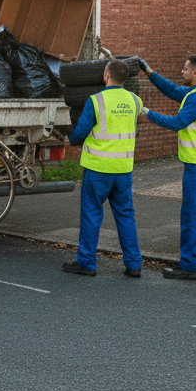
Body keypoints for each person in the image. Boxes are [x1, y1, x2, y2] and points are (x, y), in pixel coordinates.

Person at [137, 55, 196, 280]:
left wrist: (147, 114)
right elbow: (172, 90)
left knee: (192, 214)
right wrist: (148, 71)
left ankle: (189, 265)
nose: (182, 71)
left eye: (185, 69)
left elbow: (177, 123)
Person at [62, 59, 144, 278]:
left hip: (98, 169)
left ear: (106, 75)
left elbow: (80, 132)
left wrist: (71, 140)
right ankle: (134, 264)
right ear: (125, 78)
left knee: (91, 215)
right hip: (123, 169)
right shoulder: (135, 101)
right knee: (126, 216)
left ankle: (87, 263)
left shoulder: (96, 101)